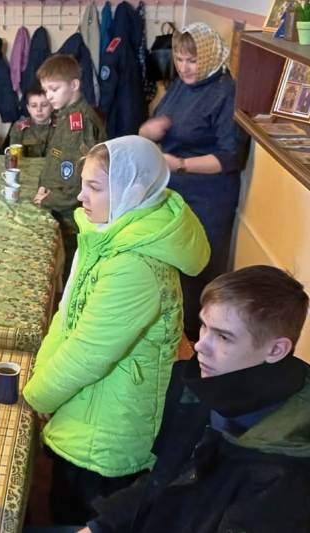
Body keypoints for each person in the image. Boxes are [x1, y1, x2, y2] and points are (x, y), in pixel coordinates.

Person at [22, 136, 210, 525]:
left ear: (133, 192)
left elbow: (87, 353)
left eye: (93, 187)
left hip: (106, 431)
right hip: (88, 406)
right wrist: (41, 377)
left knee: (82, 517)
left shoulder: (133, 266)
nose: (80, 197)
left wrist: (36, 397)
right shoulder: (110, 233)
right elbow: (68, 316)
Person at [83, 266, 310, 533]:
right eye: (204, 326)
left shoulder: (287, 468)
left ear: (276, 350)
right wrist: (99, 527)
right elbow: (162, 479)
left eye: (223, 336)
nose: (200, 345)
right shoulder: (206, 382)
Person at [138, 22, 245, 341]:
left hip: (208, 197)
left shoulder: (225, 92)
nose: (184, 67)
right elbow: (163, 124)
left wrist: (182, 164)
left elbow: (229, 157)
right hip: (175, 190)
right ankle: (173, 334)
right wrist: (148, 130)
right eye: (180, 59)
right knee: (173, 265)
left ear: (209, 57)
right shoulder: (182, 84)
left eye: (192, 60)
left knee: (198, 270)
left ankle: (198, 341)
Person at [33, 54, 106, 278]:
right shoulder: (67, 115)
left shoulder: (79, 123)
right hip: (61, 202)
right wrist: (45, 184)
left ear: (74, 85)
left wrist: (49, 199)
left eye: (54, 89)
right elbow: (59, 158)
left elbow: (81, 179)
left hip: (72, 212)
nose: (48, 96)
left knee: (73, 265)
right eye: (46, 90)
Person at [8, 87, 53, 157]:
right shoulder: (19, 127)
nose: (39, 110)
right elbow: (14, 154)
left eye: (44, 105)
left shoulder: (61, 127)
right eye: (34, 106)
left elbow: (63, 153)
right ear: (28, 108)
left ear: (52, 107)